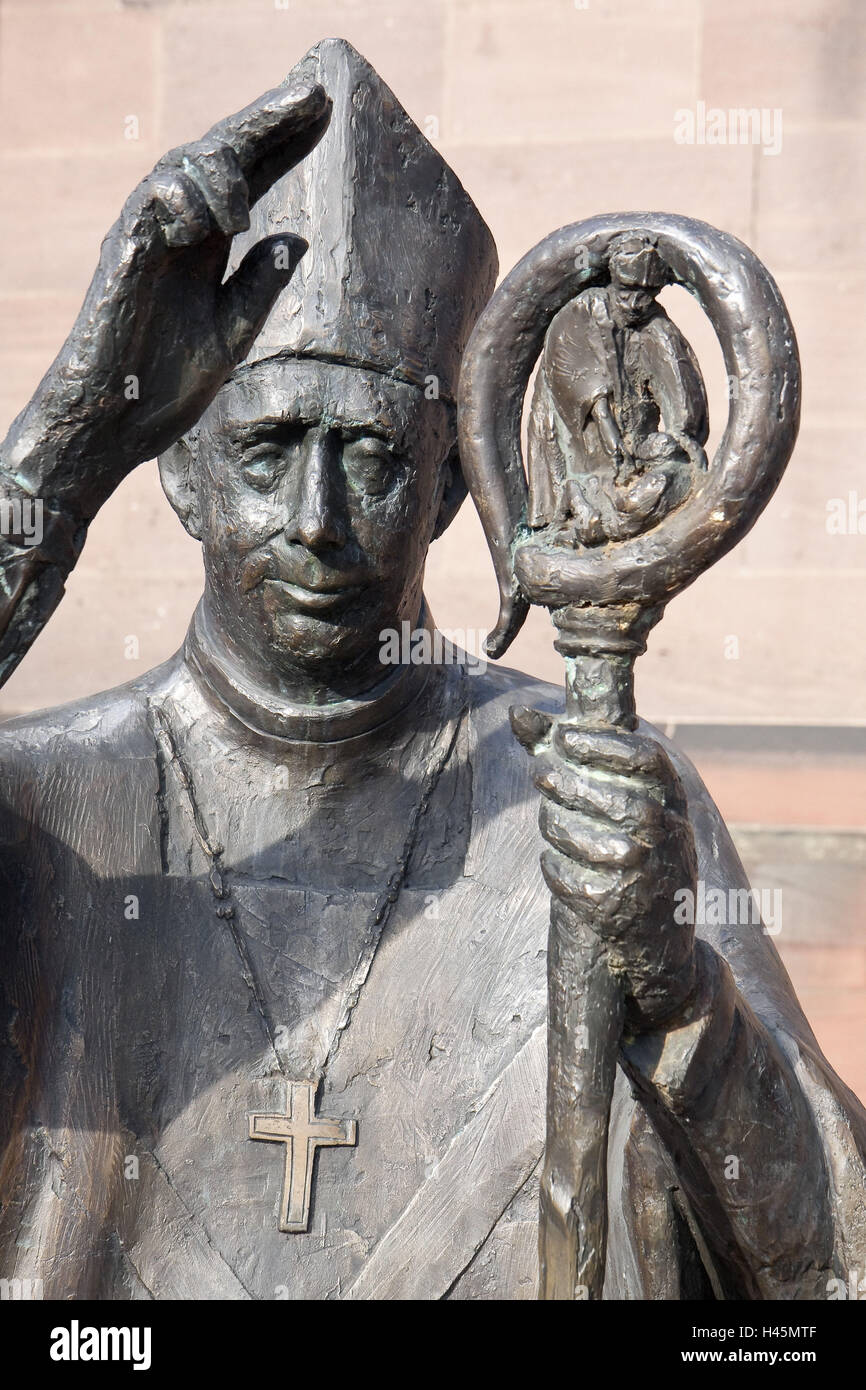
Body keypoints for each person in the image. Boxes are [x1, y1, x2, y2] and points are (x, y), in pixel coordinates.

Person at [0, 38, 863, 1301]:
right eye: (264, 449)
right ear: (176, 464)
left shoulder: (584, 790)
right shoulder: (43, 800)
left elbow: (826, 1266)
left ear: (456, 484)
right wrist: (65, 449)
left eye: (370, 453)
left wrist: (681, 996)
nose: (314, 516)